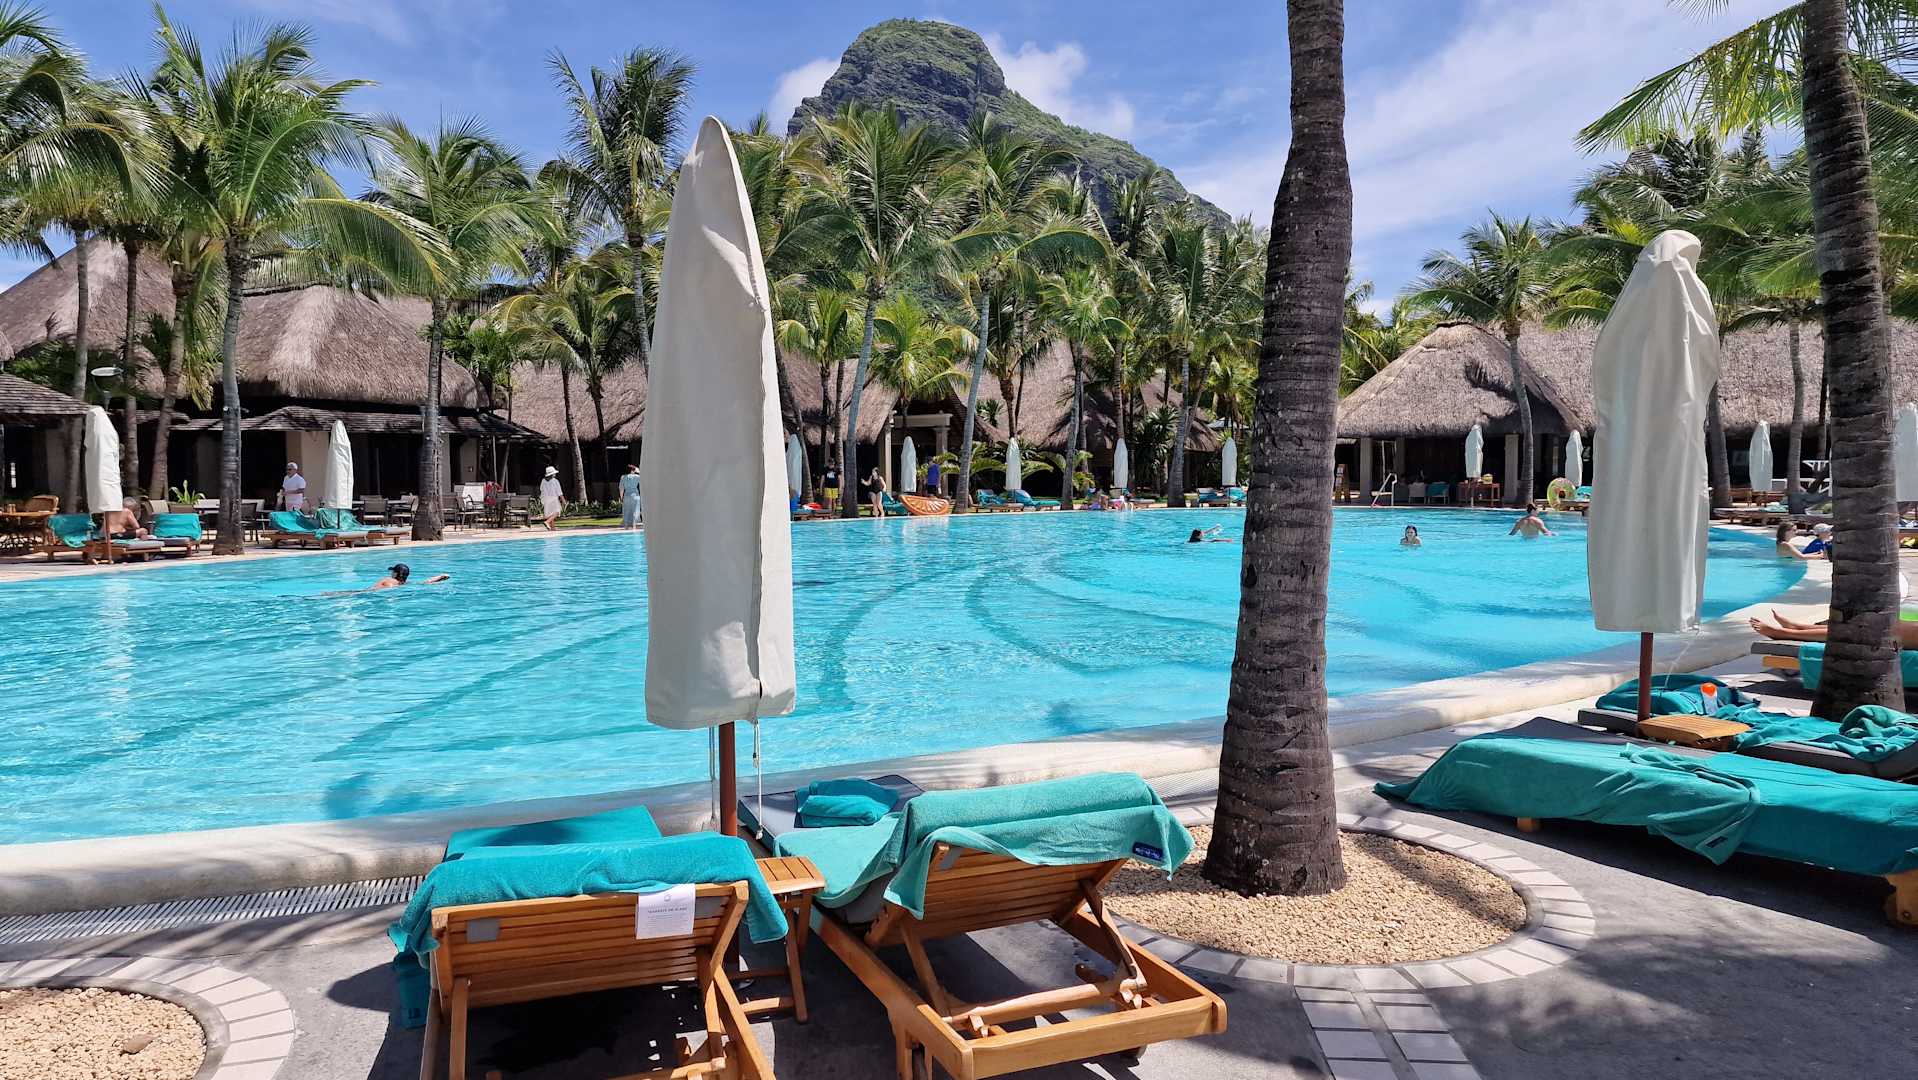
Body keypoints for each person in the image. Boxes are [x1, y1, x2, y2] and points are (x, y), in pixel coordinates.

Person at [370, 563, 449, 590]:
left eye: (393, 571)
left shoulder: (388, 580)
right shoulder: (404, 584)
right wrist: (439, 577)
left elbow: (373, 590)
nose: (391, 573)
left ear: (396, 574)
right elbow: (425, 582)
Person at [538, 465, 564, 531]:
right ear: (552, 474)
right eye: (554, 473)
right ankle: (547, 522)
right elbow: (559, 492)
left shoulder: (543, 481)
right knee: (557, 512)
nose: (555, 474)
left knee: (550, 514)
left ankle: (553, 528)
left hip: (545, 499)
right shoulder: (555, 481)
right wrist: (563, 500)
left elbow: (541, 489)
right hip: (553, 499)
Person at [618, 463, 643, 530]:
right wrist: (639, 471)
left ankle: (626, 526)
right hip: (635, 495)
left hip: (626, 496)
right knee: (635, 511)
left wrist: (621, 498)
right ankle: (634, 526)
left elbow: (621, 489)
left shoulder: (623, 477)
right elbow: (644, 478)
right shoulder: (637, 477)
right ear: (632, 470)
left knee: (626, 511)